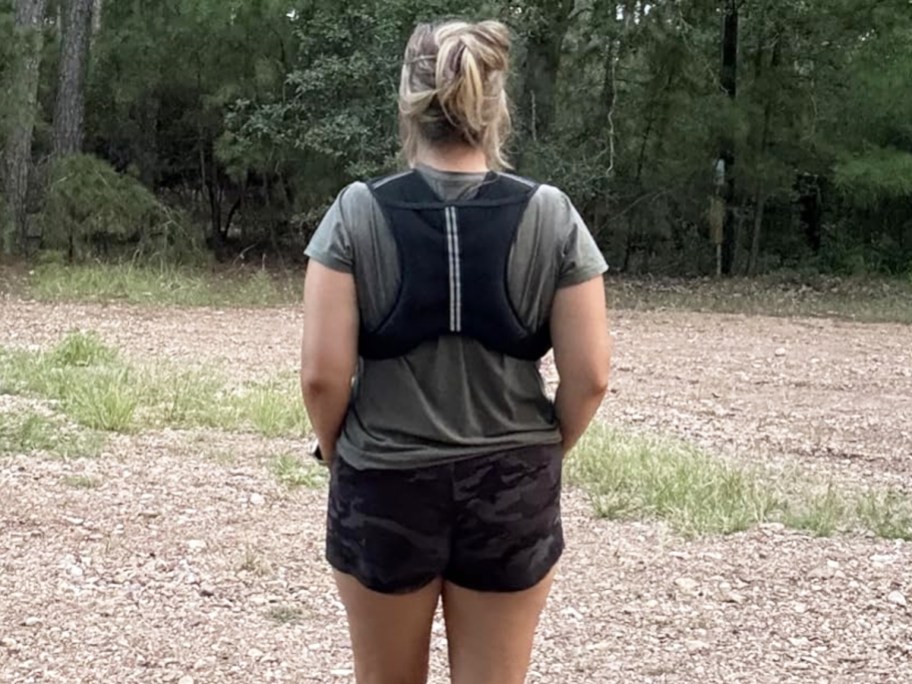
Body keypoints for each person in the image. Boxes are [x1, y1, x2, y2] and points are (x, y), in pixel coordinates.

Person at [300, 18, 611, 684]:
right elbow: (590, 378)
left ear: (407, 104)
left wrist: (336, 453)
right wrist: (540, 454)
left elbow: (323, 379)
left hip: (384, 484)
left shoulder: (355, 212)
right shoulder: (553, 215)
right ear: (496, 105)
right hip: (511, 485)